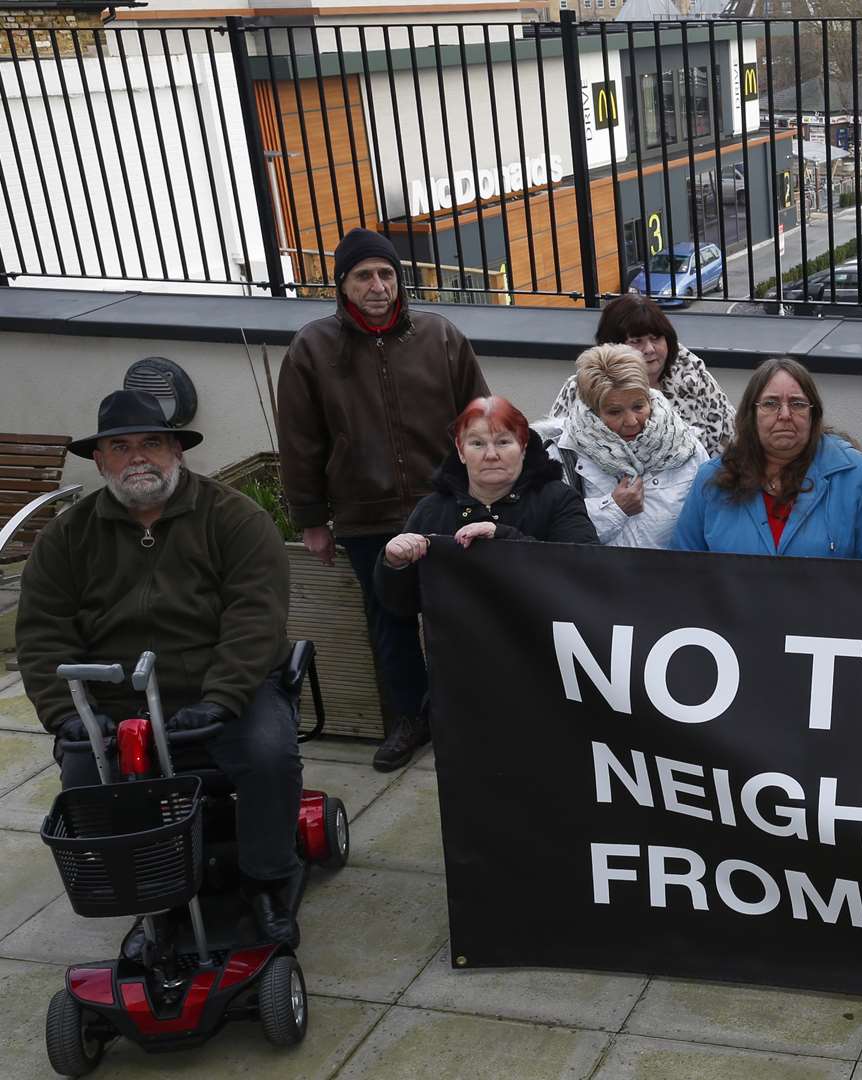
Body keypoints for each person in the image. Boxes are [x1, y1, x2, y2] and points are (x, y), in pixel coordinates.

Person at [17, 390, 305, 947]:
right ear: (100, 462)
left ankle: (269, 880)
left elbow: (256, 617)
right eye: (119, 448)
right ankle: (149, 892)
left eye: (151, 443)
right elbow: (42, 631)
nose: (137, 457)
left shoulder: (233, 518)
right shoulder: (67, 536)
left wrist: (220, 699)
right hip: (118, 700)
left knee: (268, 755)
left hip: (223, 689)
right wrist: (65, 715)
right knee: (83, 776)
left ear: (178, 450)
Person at [276, 227, 489, 772]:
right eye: (364, 275)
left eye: (387, 274)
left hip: (443, 505)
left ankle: (468, 716)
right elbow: (300, 442)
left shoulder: (440, 336)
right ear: (342, 285)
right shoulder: (312, 348)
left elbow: (480, 418)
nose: (378, 286)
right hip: (365, 514)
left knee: (462, 617)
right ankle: (407, 719)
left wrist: (484, 492)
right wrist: (312, 520)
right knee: (389, 620)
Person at [376, 396, 598, 629]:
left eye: (503, 442)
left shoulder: (558, 499)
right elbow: (400, 605)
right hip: (460, 657)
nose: (491, 455)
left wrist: (505, 539)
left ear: (522, 447)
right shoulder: (432, 509)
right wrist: (394, 564)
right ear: (461, 452)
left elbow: (585, 574)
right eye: (477, 444)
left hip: (540, 652)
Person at [672, 357, 862, 560]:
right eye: (771, 404)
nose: (784, 415)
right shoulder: (711, 479)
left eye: (797, 404)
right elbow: (683, 572)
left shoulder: (856, 476)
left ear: (813, 414)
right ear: (751, 415)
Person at [535, 344, 709, 550]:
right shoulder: (561, 453)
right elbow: (549, 533)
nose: (631, 421)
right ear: (592, 411)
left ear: (649, 398)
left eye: (638, 406)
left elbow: (709, 525)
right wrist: (614, 508)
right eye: (615, 411)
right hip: (590, 580)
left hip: (670, 579)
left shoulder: (686, 447)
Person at [558, 293, 734, 459]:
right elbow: (559, 453)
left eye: (656, 338)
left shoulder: (694, 378)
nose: (649, 349)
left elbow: (731, 441)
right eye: (636, 341)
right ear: (613, 346)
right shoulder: (582, 388)